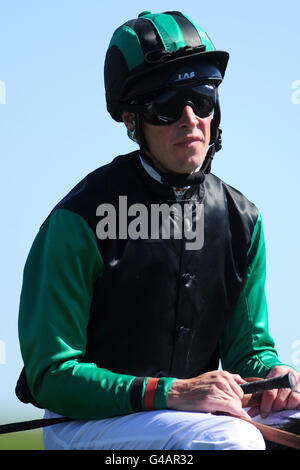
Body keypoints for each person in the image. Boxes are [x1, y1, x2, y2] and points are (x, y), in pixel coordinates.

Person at [16, 10, 300, 450]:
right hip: (90, 421)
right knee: (231, 442)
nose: (190, 119)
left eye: (201, 100)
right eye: (167, 106)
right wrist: (172, 392)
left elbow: (249, 351)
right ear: (132, 121)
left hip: (194, 412)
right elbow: (51, 376)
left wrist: (274, 375)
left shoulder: (244, 220)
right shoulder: (76, 222)